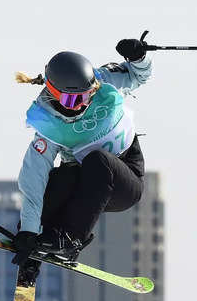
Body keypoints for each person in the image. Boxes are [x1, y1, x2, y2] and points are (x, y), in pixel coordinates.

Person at [11, 36, 153, 281]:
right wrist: (28, 230)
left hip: (124, 179)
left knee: (99, 160)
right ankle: (32, 257)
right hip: (85, 185)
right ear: (54, 94)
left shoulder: (104, 80)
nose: (80, 106)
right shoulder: (48, 123)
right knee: (57, 181)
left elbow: (138, 75)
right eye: (72, 100)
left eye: (87, 97)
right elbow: (33, 180)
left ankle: (72, 240)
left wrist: (139, 56)